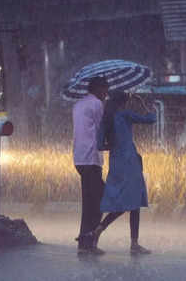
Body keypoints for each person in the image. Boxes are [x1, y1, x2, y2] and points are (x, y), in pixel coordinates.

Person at [92, 91, 156, 255]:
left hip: (116, 165)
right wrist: (142, 103)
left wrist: (113, 146)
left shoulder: (105, 121)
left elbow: (99, 146)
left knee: (122, 202)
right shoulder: (125, 115)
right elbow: (151, 119)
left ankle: (100, 228)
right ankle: (134, 243)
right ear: (123, 103)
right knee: (134, 203)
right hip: (131, 163)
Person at [72, 76, 109, 255]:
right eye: (105, 89)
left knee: (90, 201)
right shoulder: (97, 104)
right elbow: (102, 129)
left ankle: (85, 240)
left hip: (79, 158)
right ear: (98, 89)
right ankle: (88, 240)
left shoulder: (78, 105)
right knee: (100, 200)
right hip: (91, 158)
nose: (106, 93)